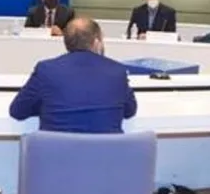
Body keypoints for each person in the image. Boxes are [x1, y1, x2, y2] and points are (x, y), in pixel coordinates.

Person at [9, 17, 137, 133]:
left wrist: (47, 107)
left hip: (56, 151)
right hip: (106, 151)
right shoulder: (117, 71)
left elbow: (18, 111)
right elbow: (129, 111)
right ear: (96, 42)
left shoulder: (46, 70)